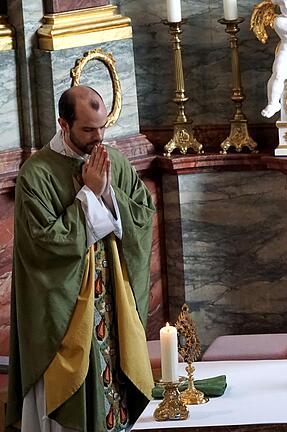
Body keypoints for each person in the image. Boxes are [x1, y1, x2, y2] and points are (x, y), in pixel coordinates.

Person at [7, 86, 155, 431]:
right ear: (64, 123)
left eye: (103, 127)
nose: (99, 137)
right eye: (88, 129)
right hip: (67, 310)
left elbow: (143, 215)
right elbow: (43, 244)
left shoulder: (113, 161)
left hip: (113, 303)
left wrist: (107, 193)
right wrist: (89, 195)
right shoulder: (37, 174)